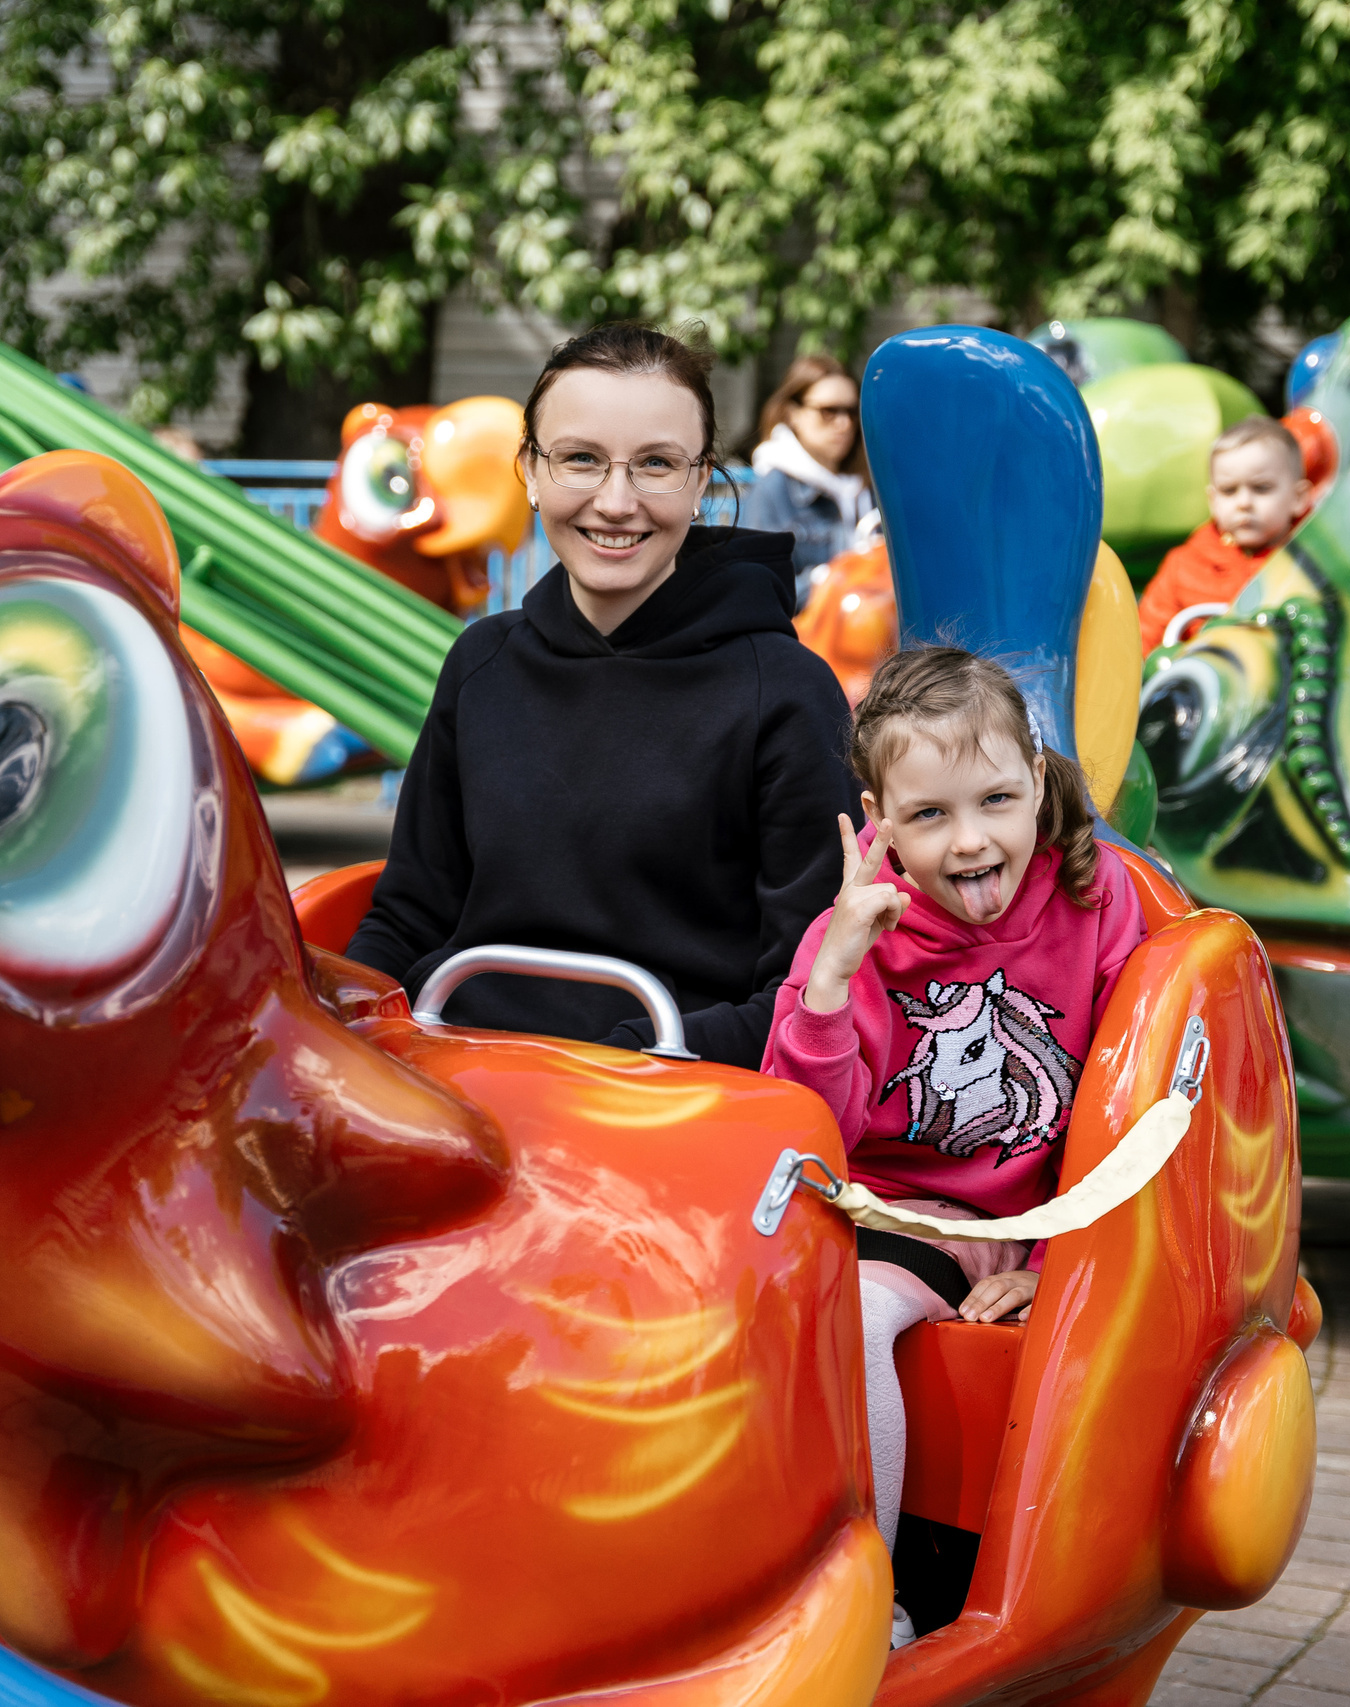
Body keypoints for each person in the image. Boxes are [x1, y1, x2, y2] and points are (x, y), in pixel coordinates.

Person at [759, 646, 1144, 1647]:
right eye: (928, 816)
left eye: (994, 801)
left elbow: (1128, 1103)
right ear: (876, 819)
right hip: (879, 1206)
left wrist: (1059, 1259)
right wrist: (835, 976)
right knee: (792, 1313)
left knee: (860, 1314)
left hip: (1018, 1213)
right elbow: (802, 1137)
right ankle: (809, 1596)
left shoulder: (1097, 902)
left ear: (1035, 774)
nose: (969, 841)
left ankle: (878, 1603)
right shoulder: (855, 935)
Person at [345, 324, 860, 1068]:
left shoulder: (784, 692)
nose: (616, 502)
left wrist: (613, 1065)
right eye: (581, 459)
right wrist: (349, 1020)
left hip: (665, 1098)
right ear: (529, 470)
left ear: (701, 479)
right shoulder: (482, 663)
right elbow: (408, 914)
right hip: (458, 1069)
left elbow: (804, 984)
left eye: (656, 464)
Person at [1134, 415, 1312, 654]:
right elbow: (1142, 640)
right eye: (1229, 491)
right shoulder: (1185, 565)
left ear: (1298, 498)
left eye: (1261, 488)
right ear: (1213, 501)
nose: (1244, 502)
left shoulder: (1313, 562)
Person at [739, 354, 876, 599]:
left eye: (852, 411)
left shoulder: (867, 485)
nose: (844, 423)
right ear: (794, 413)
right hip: (803, 634)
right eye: (828, 411)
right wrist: (828, 581)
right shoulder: (773, 491)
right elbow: (756, 588)